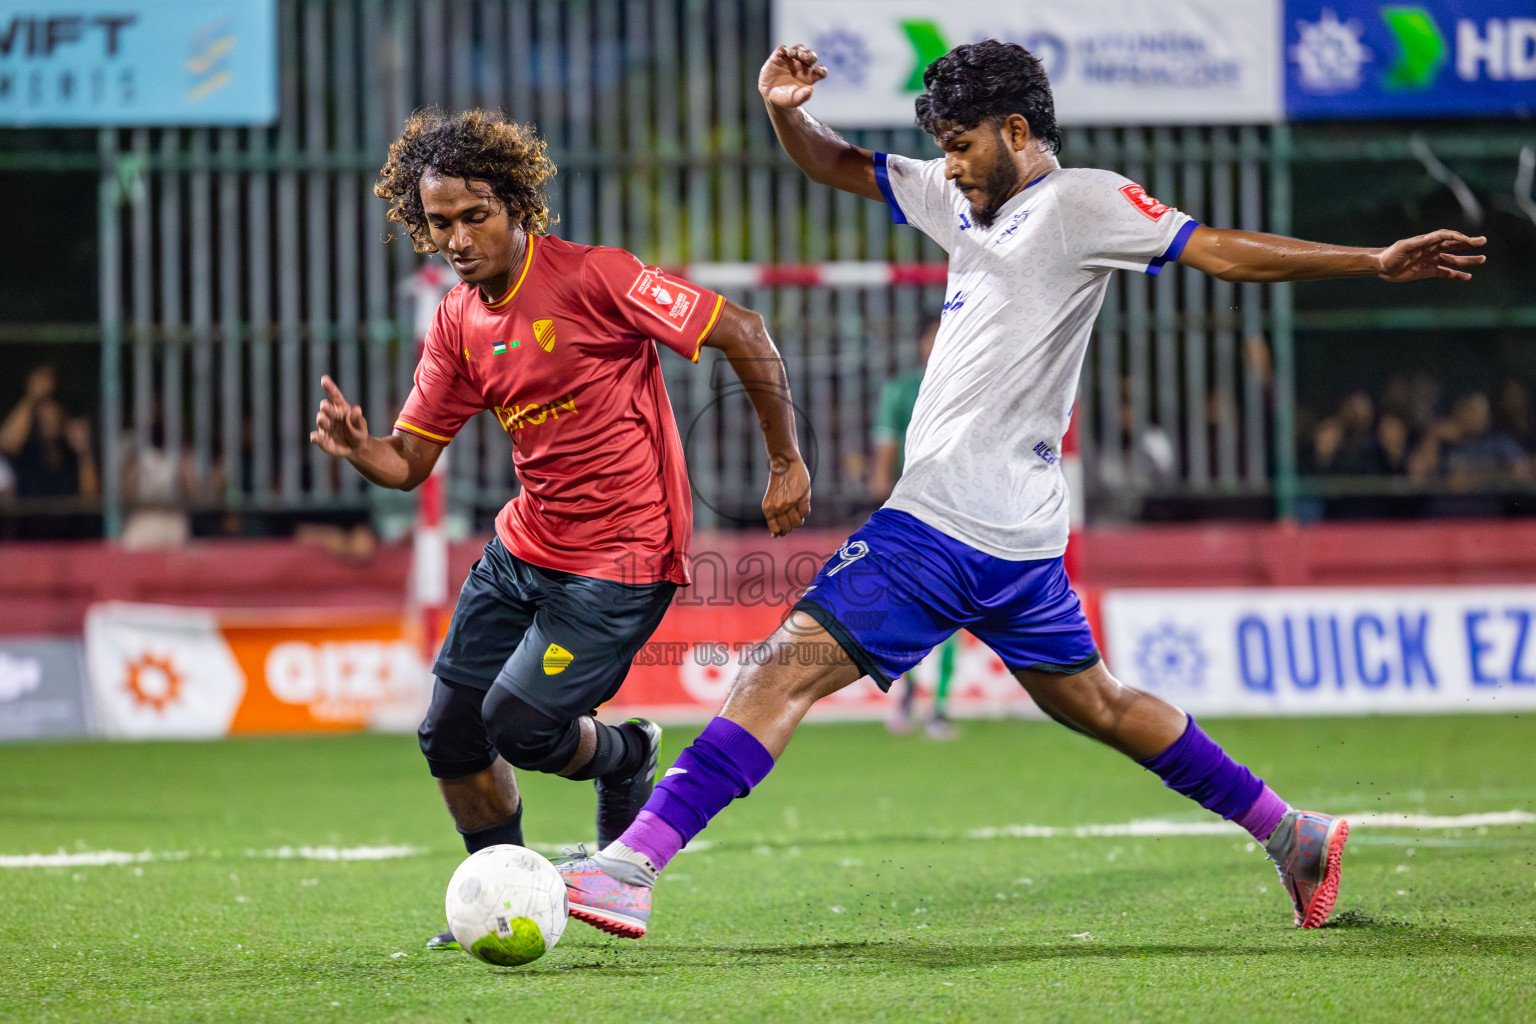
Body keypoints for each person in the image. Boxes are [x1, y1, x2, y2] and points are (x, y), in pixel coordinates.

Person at [557, 40, 1487, 939]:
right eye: (943, 149)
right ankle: (1294, 833)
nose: (949, 165)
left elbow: (1223, 252)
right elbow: (834, 162)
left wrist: (1370, 261)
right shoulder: (958, 197)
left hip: (944, 523)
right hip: (1017, 537)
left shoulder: (1082, 203)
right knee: (1100, 703)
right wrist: (782, 111)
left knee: (778, 674)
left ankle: (630, 868)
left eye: (962, 146)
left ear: (1014, 128)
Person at [308, 109, 810, 950]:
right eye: (440, 223)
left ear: (517, 207)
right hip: (525, 547)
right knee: (449, 732)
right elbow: (409, 462)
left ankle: (625, 755)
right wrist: (362, 450)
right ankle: (507, 893)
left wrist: (785, 459)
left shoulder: (597, 278)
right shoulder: (458, 320)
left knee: (518, 725)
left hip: (623, 557)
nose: (459, 239)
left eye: (477, 216)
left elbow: (744, 332)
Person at [870, 317, 956, 739]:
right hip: (911, 513)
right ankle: (905, 697)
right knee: (907, 607)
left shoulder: (969, 386)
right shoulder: (902, 390)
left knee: (951, 612)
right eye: (933, 334)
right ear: (922, 341)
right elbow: (885, 449)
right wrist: (883, 502)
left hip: (958, 514)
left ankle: (938, 709)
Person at [0, 365, 99, 503]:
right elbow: (7, 443)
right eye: (42, 406)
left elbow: (90, 499)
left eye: (52, 404)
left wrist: (84, 452)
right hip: (30, 522)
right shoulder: (25, 449)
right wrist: (32, 396)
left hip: (69, 522)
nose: (48, 415)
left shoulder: (71, 452)